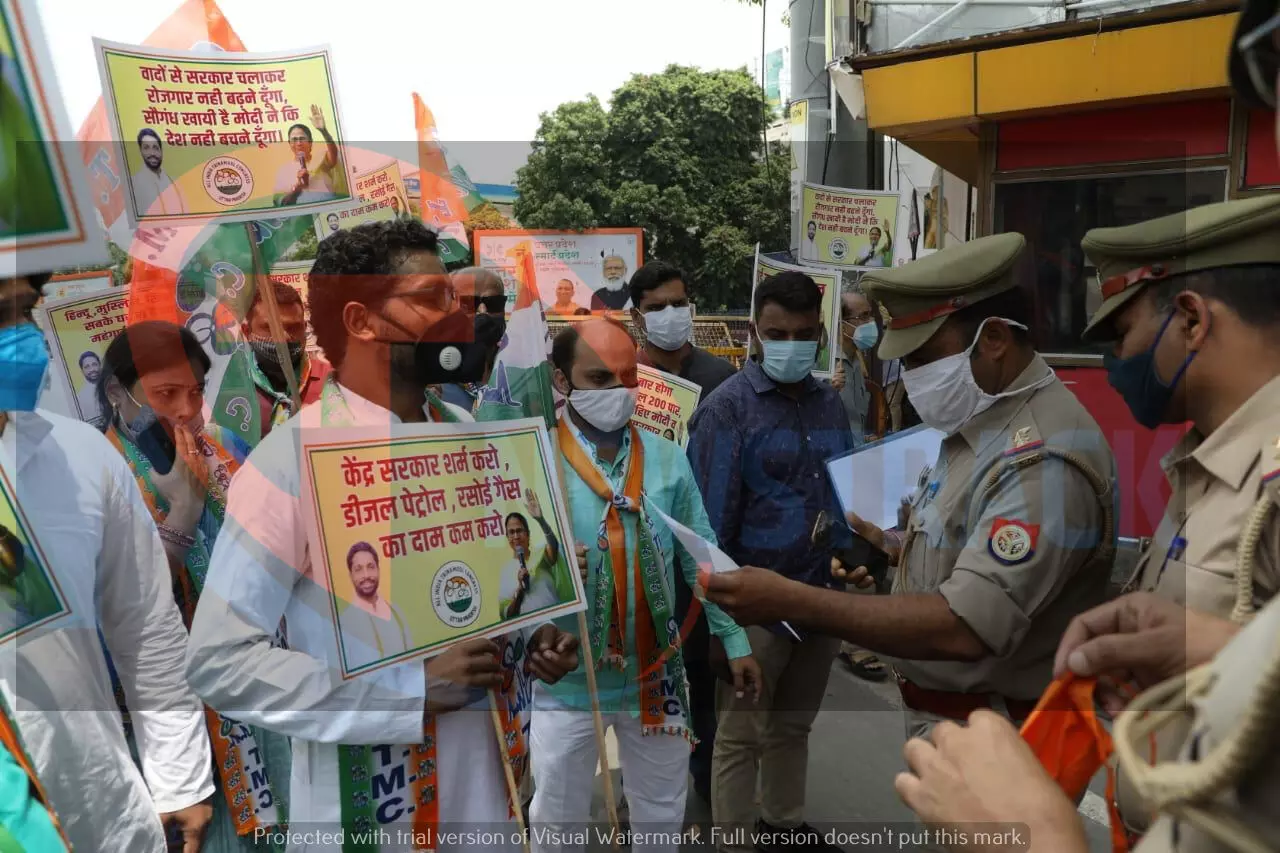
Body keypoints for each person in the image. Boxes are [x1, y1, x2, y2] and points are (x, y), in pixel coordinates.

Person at [897, 9, 1280, 850]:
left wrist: (1041, 835)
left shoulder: (1265, 481)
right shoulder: (1201, 465)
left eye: (1122, 335)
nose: (1113, 363)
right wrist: (1206, 646)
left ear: (1190, 319)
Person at [185, 218, 578, 851]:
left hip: (492, 791)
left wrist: (537, 634)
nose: (459, 318)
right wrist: (407, 693)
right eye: (432, 299)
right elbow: (221, 661)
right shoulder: (292, 461)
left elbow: (500, 588)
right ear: (363, 323)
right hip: (367, 814)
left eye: (455, 299)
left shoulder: (472, 435)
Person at [704, 234, 1117, 747]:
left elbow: (965, 625)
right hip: (957, 728)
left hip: (999, 737)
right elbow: (961, 548)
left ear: (992, 339)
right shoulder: (978, 422)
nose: (913, 378)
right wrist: (893, 553)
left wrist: (792, 600)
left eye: (923, 358)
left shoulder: (1041, 459)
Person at [0, 272, 215, 850]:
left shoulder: (81, 458)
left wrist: (178, 779)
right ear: (120, 393)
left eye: (23, 312)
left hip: (105, 815)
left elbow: (144, 625)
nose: (19, 338)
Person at [529, 318, 760, 853]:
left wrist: (735, 639)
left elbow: (699, 553)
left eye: (628, 376)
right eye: (600, 378)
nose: (619, 392)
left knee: (660, 816)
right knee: (556, 823)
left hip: (654, 675)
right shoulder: (535, 458)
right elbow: (507, 567)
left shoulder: (665, 455)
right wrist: (553, 568)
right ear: (561, 381)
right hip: (568, 680)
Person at [97, 320, 291, 853]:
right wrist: (183, 508)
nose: (187, 411)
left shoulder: (226, 447)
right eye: (165, 395)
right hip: (179, 719)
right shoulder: (100, 472)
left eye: (196, 392)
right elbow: (131, 612)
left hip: (262, 688)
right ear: (118, 394)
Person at [686, 271, 854, 853]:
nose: (790, 346)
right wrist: (720, 628)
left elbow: (840, 492)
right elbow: (707, 528)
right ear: (757, 331)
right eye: (776, 333)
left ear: (820, 332)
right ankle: (734, 840)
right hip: (753, 607)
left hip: (819, 597)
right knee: (740, 736)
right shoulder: (726, 411)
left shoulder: (829, 402)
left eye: (803, 334)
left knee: (793, 727)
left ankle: (784, 823)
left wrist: (851, 557)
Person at [630, 261, 738, 404]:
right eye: (657, 307)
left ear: (689, 306)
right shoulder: (626, 379)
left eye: (678, 304)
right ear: (636, 317)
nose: (670, 315)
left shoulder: (724, 376)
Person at [241, 281, 331, 445]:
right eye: (270, 327)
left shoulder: (333, 382)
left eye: (293, 327)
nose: (284, 337)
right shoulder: (231, 389)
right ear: (247, 332)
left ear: (305, 328)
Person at [336, 541, 412, 670]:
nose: (366, 575)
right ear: (350, 575)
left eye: (371, 567)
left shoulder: (397, 614)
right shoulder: (344, 624)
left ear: (378, 569)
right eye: (358, 569)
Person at [441, 267, 506, 413]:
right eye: (469, 303)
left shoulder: (521, 370)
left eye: (493, 303)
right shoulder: (428, 386)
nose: (483, 311)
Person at [498, 490, 565, 620]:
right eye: (511, 532)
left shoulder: (540, 554)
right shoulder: (505, 572)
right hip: (531, 634)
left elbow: (554, 550)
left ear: (528, 534)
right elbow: (508, 615)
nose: (516, 536)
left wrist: (541, 521)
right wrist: (520, 590)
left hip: (557, 621)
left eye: (519, 531)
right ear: (507, 537)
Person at [273, 105, 344, 206]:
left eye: (302, 138)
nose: (298, 143)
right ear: (289, 144)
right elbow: (282, 204)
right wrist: (298, 188)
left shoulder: (320, 159)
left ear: (310, 143)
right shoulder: (283, 171)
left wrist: (324, 131)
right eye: (294, 139)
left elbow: (333, 156)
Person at [130, 128, 188, 216]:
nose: (152, 153)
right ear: (141, 151)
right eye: (146, 148)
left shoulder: (175, 183)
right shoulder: (133, 184)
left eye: (155, 148)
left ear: (161, 151)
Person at [74, 350, 104, 428]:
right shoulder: (80, 398)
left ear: (100, 365)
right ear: (82, 371)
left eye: (94, 364)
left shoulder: (112, 384)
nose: (92, 369)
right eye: (87, 367)